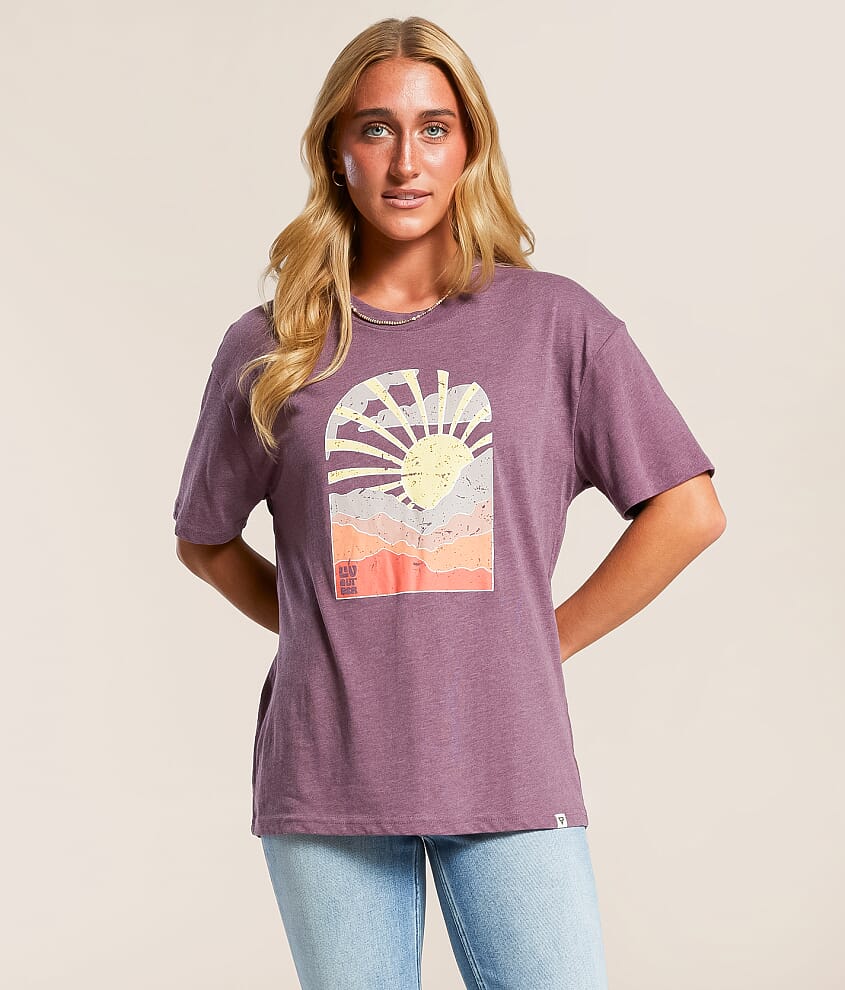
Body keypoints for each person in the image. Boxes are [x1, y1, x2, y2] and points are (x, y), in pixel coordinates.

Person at [172, 15, 726, 990]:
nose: (405, 160)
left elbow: (687, 510)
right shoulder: (270, 344)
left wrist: (537, 637)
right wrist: (333, 631)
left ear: (469, 146)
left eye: (434, 128)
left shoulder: (554, 323)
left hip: (506, 757)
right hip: (329, 770)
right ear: (335, 151)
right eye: (375, 128)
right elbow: (204, 539)